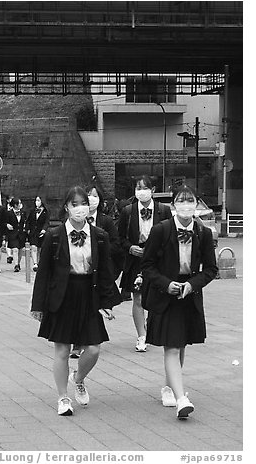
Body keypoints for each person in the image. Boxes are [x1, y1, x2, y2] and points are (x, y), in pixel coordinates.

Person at [30, 186, 120, 416]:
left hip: (88, 293)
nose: (80, 208)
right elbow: (44, 273)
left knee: (93, 349)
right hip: (62, 294)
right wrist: (38, 306)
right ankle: (63, 397)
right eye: (75, 204)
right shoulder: (53, 236)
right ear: (67, 208)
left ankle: (78, 378)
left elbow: (106, 270)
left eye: (83, 203)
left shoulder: (99, 235)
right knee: (62, 349)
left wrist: (107, 301)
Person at [141, 185, 217, 419]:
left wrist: (192, 285)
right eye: (181, 201)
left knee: (181, 344)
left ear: (197, 205)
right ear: (174, 205)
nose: (186, 205)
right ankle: (181, 398)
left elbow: (211, 269)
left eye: (190, 200)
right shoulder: (161, 230)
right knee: (172, 346)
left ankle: (169, 386)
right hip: (166, 294)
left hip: (188, 293)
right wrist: (166, 284)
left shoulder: (203, 232)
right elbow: (147, 265)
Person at [118, 175, 172, 352]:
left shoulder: (163, 210)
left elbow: (170, 236)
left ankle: (152, 329)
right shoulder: (128, 211)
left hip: (157, 259)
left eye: (144, 188)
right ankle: (142, 335)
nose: (141, 191)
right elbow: (120, 238)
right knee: (138, 296)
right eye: (138, 188)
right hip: (136, 258)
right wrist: (131, 247)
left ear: (153, 190)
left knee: (155, 295)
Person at [70, 184, 123, 359]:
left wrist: (99, 249)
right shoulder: (72, 220)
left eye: (94, 196)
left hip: (98, 272)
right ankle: (77, 343)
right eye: (88, 196)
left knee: (92, 307)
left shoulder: (106, 221)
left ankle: (90, 338)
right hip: (77, 274)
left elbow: (116, 244)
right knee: (78, 308)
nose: (91, 200)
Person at [26, 196, 50, 272]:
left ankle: (40, 263)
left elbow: (47, 222)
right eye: (36, 200)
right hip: (33, 232)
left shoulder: (46, 211)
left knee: (40, 249)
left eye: (38, 200)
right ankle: (35, 263)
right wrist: (27, 229)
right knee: (34, 247)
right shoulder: (32, 211)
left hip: (41, 233)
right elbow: (28, 221)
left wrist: (44, 230)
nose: (37, 202)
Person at [5, 197, 27, 272]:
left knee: (20, 249)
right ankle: (16, 264)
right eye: (19, 203)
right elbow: (4, 221)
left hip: (21, 234)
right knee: (15, 249)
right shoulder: (9, 213)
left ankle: (18, 263)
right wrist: (7, 225)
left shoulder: (23, 212)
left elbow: (26, 221)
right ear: (15, 205)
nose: (20, 205)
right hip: (12, 234)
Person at [5, 196, 14, 265]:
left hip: (15, 226)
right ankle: (9, 255)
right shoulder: (4, 208)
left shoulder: (17, 207)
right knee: (7, 240)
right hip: (7, 226)